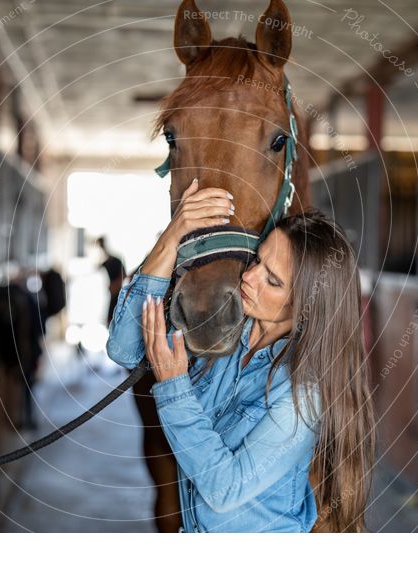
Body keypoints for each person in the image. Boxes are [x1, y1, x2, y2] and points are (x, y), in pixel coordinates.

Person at [106, 178, 376, 533]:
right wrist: (173, 235)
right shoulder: (227, 330)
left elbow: (225, 488)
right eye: (258, 261)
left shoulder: (302, 395)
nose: (248, 277)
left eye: (273, 281)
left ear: (307, 307)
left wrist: (174, 386)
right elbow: (124, 348)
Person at [97, 236, 126, 328]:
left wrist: (115, 285)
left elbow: (123, 276)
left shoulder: (116, 261)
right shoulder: (106, 262)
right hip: (113, 293)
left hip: (117, 293)